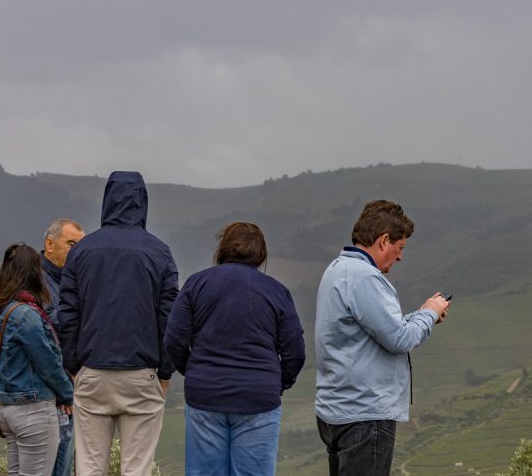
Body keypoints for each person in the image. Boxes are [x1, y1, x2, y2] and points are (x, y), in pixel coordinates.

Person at [314, 199, 450, 475]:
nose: (400, 257)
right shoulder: (365, 278)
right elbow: (399, 338)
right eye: (400, 248)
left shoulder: (337, 269)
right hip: (365, 414)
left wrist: (422, 313)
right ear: (384, 240)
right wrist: (430, 315)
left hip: (337, 409)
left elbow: (379, 328)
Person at [57, 171, 178, 476]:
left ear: (107, 201)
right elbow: (169, 317)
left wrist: (73, 364)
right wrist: (165, 370)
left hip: (92, 371)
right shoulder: (160, 253)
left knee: (89, 467)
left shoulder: (81, 252)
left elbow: (68, 314)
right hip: (141, 373)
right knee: (136, 469)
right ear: (143, 202)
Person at [165, 222, 306, 476]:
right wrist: (276, 382)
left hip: (205, 395)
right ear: (261, 254)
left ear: (223, 249)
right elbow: (295, 349)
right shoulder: (277, 291)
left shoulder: (196, 284)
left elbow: (173, 339)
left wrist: (195, 370)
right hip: (258, 397)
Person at [0, 243, 74, 476]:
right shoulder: (27, 315)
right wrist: (67, 394)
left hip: (8, 409)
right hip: (34, 411)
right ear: (34, 272)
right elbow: (48, 362)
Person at [40, 218, 85, 476]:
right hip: (54, 393)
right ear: (50, 243)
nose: (76, 251)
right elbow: (46, 329)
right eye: (71, 243)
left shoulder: (69, 279)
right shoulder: (37, 279)